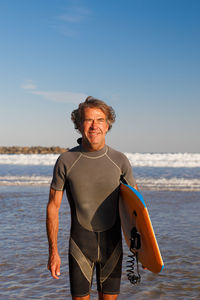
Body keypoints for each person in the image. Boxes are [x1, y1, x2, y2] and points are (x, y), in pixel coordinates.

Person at [46, 96, 138, 300]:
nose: (94, 125)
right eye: (88, 120)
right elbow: (53, 207)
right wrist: (53, 252)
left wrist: (143, 250)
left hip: (112, 248)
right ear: (78, 125)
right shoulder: (66, 161)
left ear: (108, 125)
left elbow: (136, 208)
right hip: (80, 246)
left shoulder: (120, 161)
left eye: (100, 120)